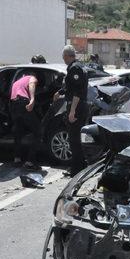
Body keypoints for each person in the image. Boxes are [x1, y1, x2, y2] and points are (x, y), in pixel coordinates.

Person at [53, 45, 88, 175]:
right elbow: (71, 87)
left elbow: (77, 92)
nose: (63, 60)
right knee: (75, 138)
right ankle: (81, 165)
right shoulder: (78, 67)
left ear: (68, 56)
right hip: (78, 106)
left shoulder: (75, 68)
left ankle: (76, 169)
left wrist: (72, 110)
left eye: (64, 57)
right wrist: (60, 92)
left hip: (77, 107)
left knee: (74, 139)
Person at [10, 71, 41, 169]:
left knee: (18, 131)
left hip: (13, 105)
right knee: (38, 131)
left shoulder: (17, 82)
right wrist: (32, 100)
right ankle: (30, 161)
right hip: (23, 103)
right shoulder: (32, 78)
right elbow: (32, 85)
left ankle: (17, 159)